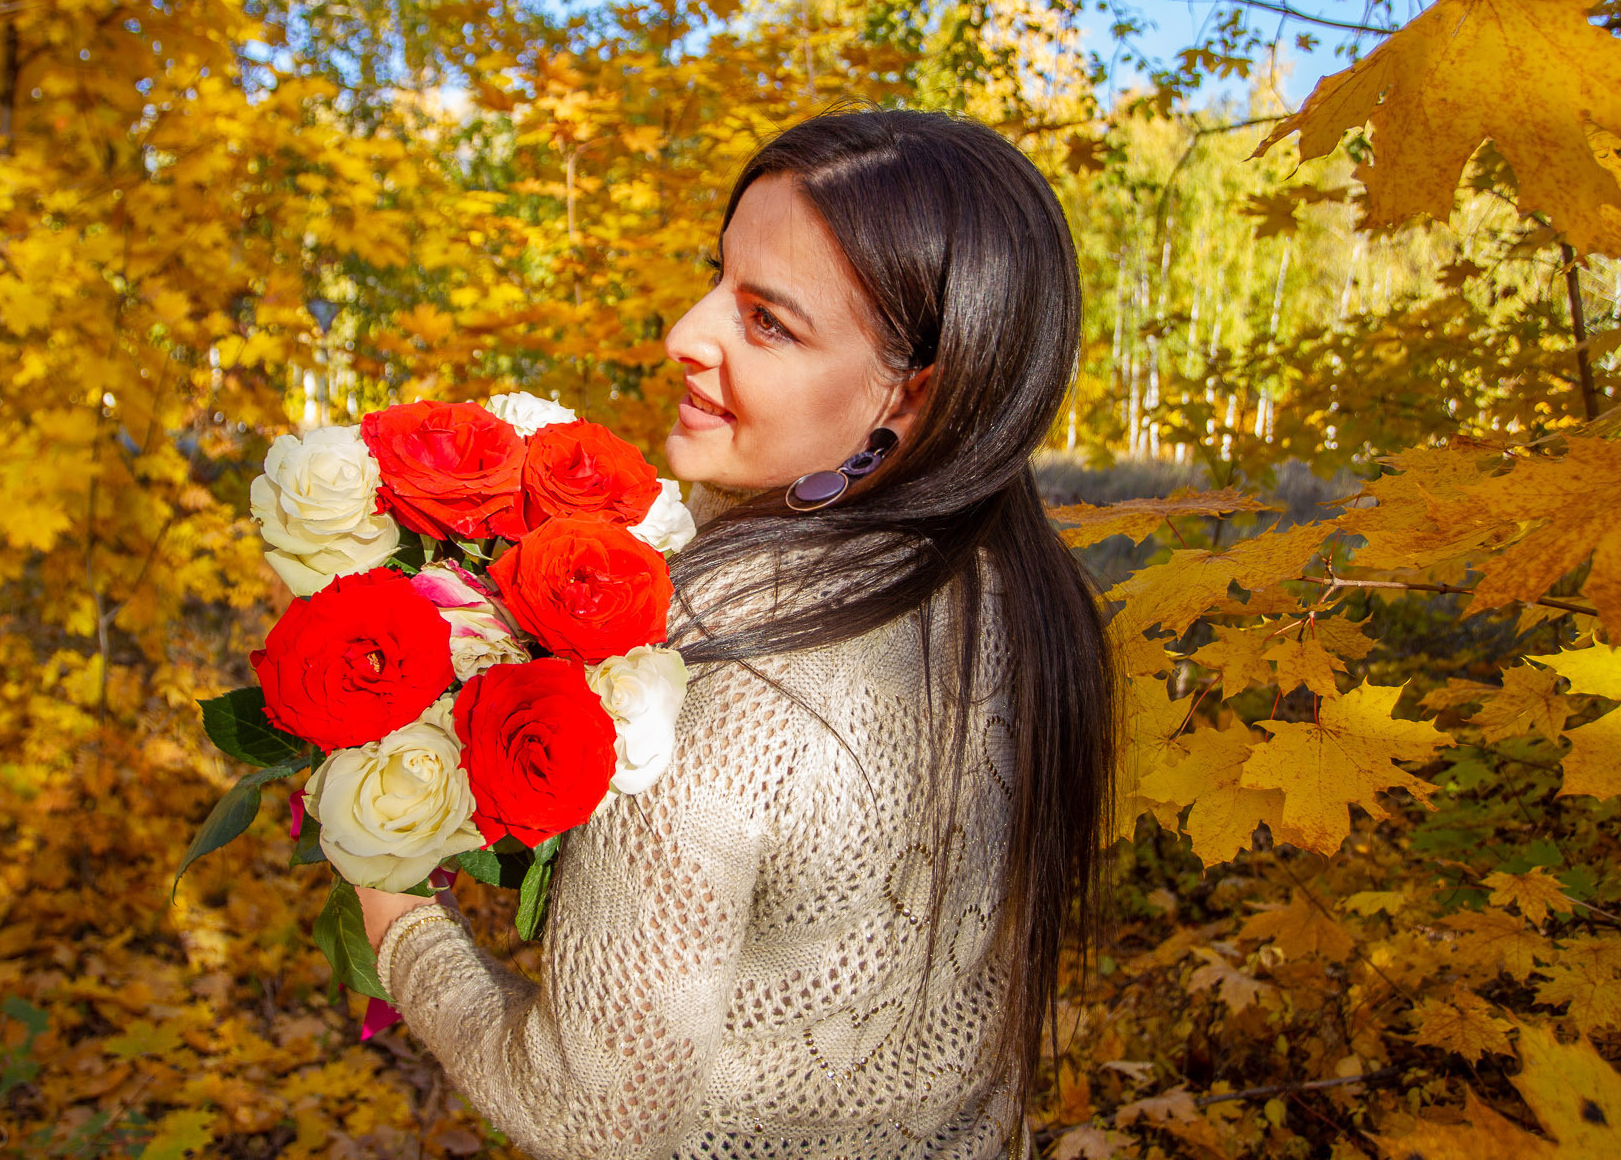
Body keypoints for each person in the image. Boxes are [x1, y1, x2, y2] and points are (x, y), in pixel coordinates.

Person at [358, 107, 1115, 1159]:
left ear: (915, 390)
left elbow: (593, 1120)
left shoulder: (705, 675)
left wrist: (391, 909)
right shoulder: (1026, 592)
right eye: (715, 274)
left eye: (767, 320)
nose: (684, 330)